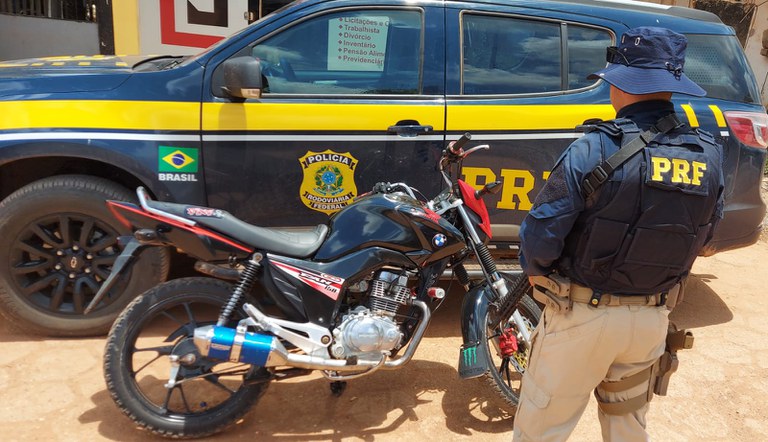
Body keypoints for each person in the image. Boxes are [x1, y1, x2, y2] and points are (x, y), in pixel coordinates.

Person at [513, 27, 724, 442]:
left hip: (583, 317)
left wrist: (535, 271)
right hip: (651, 319)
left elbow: (542, 232)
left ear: (620, 85)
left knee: (542, 428)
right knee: (628, 428)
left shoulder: (594, 147)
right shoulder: (707, 152)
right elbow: (708, 235)